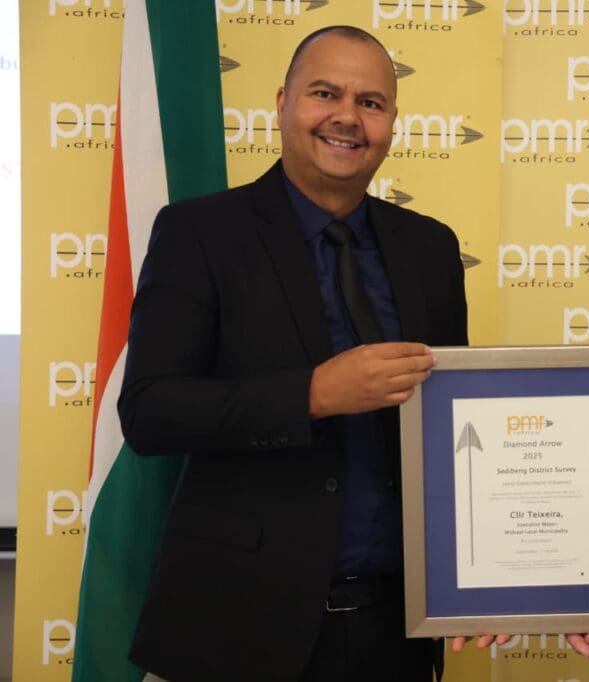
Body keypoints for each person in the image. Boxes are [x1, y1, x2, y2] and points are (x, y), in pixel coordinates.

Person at [118, 26, 467, 682]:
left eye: (370, 102)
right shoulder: (199, 232)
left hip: (395, 632)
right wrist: (312, 395)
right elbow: (149, 411)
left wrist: (485, 572)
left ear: (393, 121)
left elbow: (452, 429)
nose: (348, 117)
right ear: (282, 102)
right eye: (325, 93)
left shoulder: (430, 248)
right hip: (236, 629)